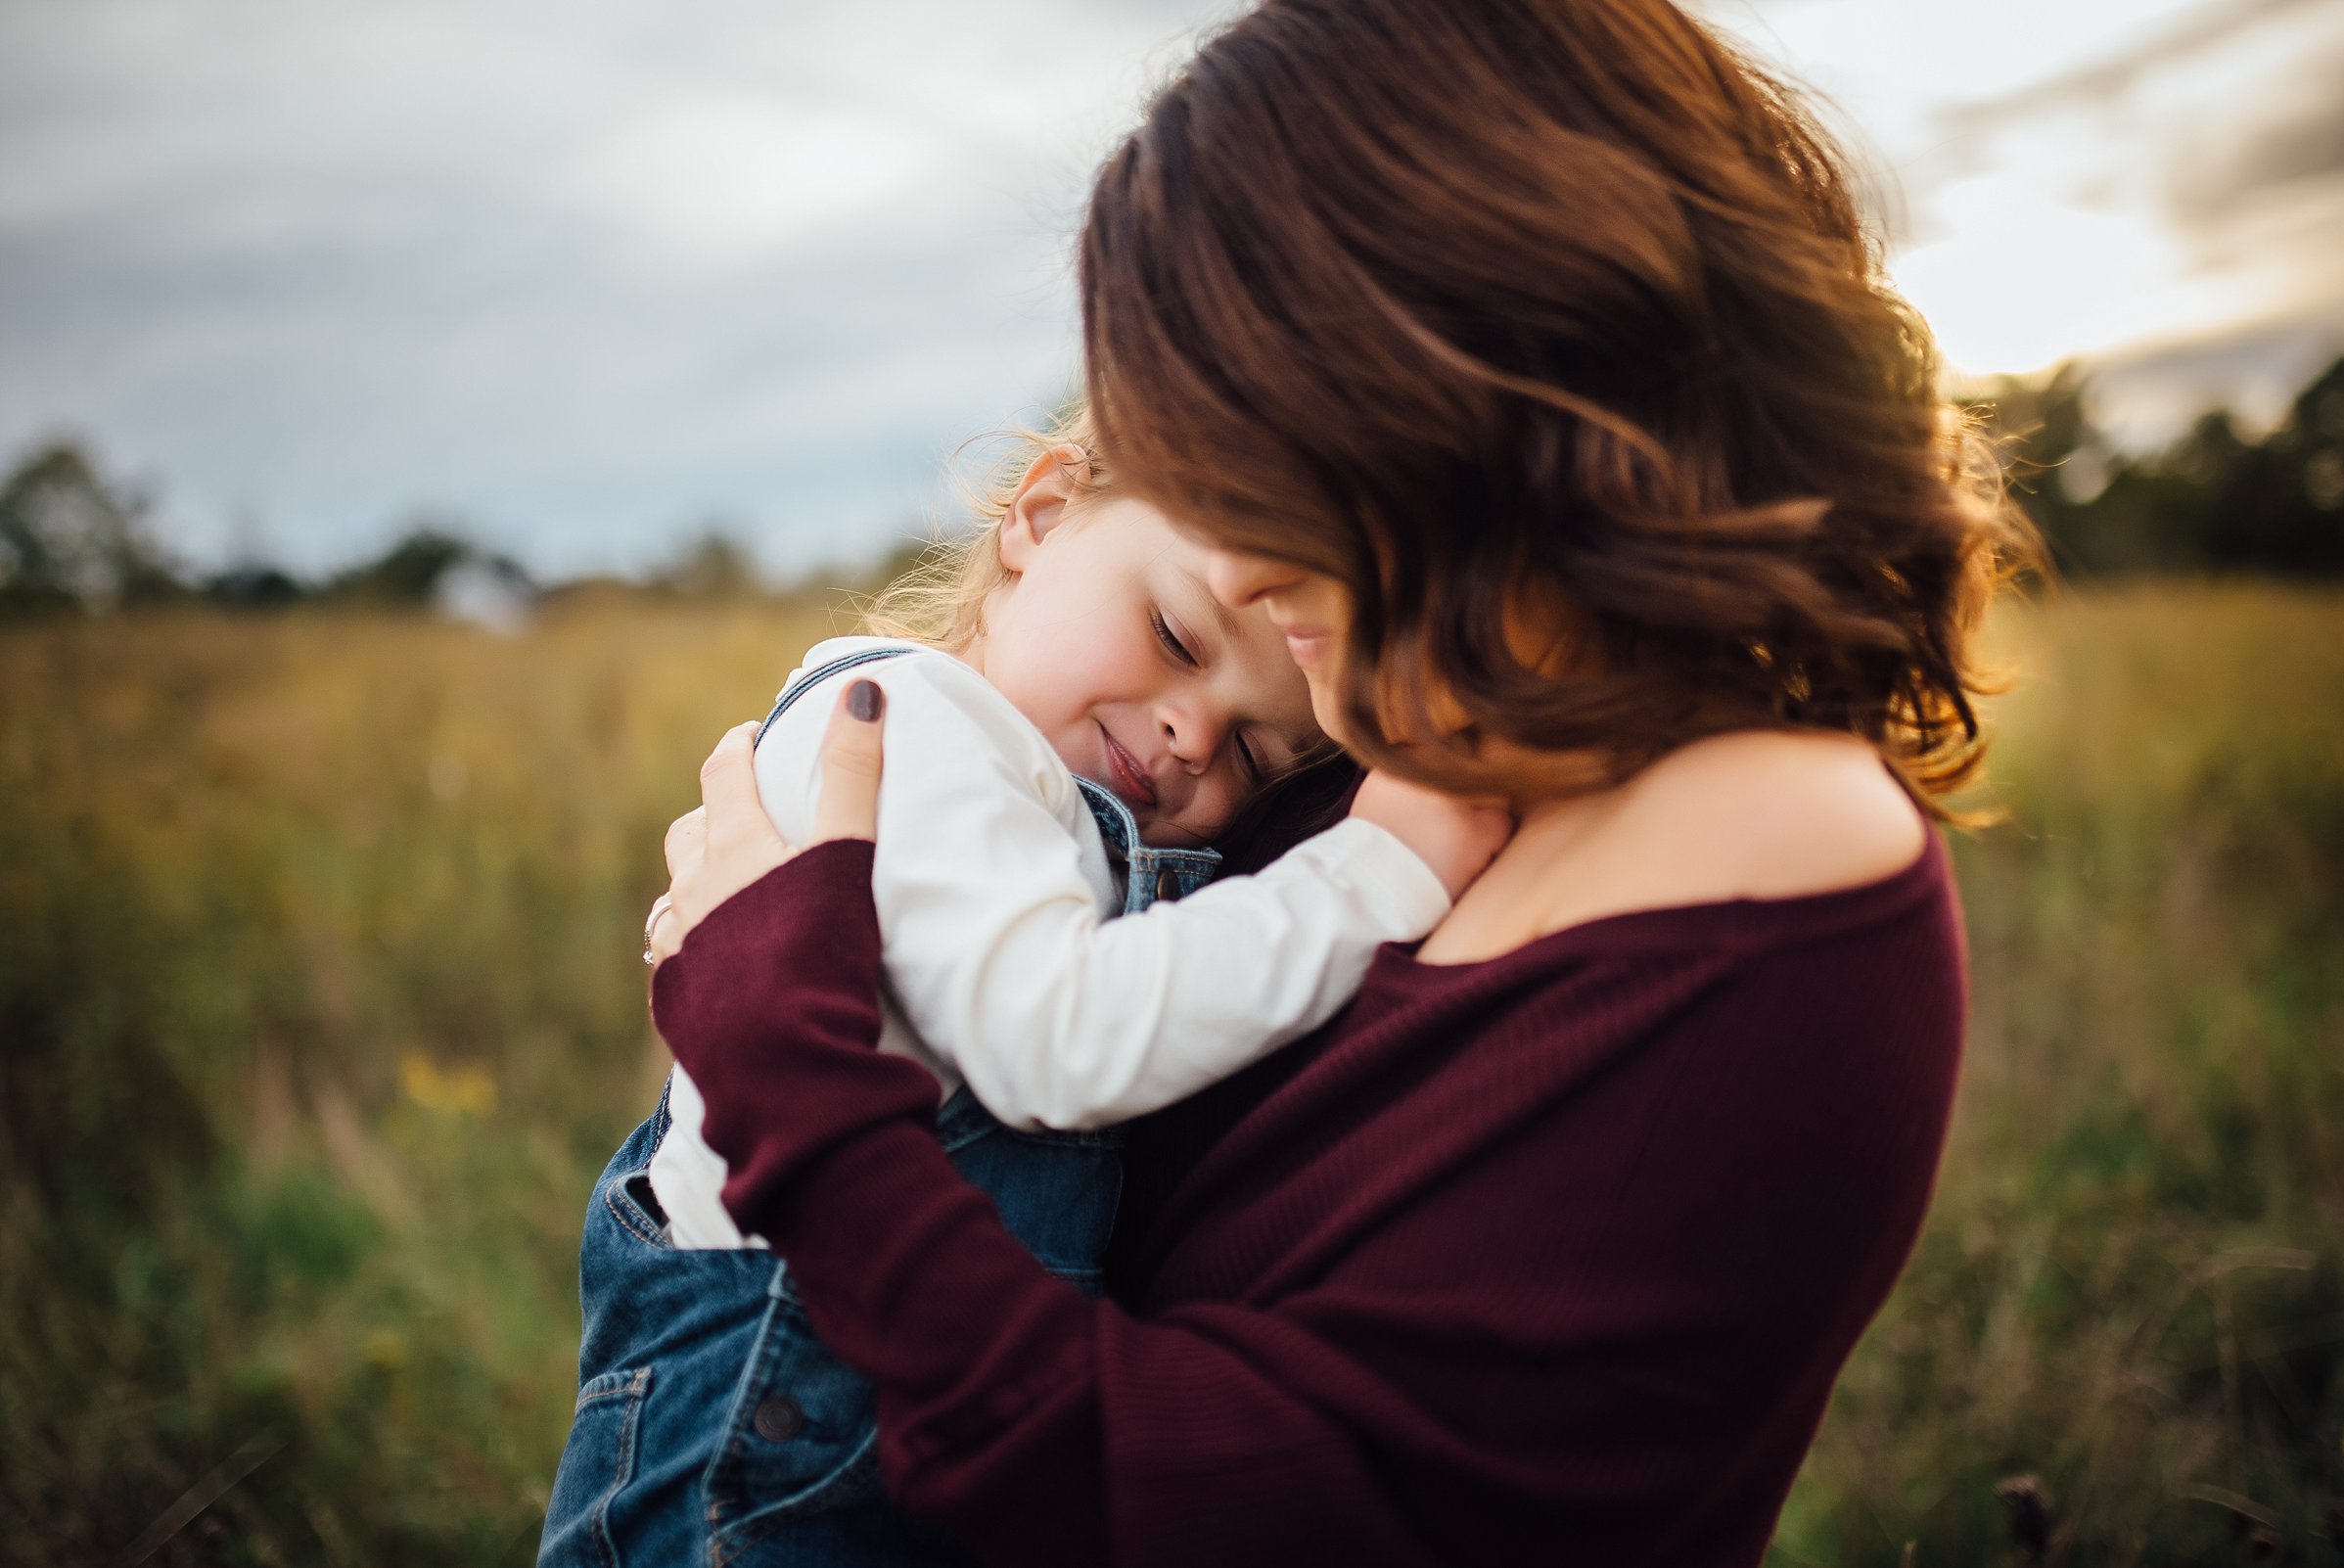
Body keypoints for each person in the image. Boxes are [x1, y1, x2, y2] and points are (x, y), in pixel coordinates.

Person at [643, 0, 2037, 1561]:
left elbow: (1201, 1501)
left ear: (1487, 375)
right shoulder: (1369, 743)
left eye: (1266, 441)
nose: (1233, 565)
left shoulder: (1768, 864)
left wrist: (790, 1074)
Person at [539, 415, 1507, 1568]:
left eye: (1254, 753)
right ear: (1042, 513)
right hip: (771, 1421)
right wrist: (1374, 869)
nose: (1192, 734)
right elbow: (1051, 1033)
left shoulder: (1029, 789)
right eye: (1175, 636)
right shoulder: (923, 730)